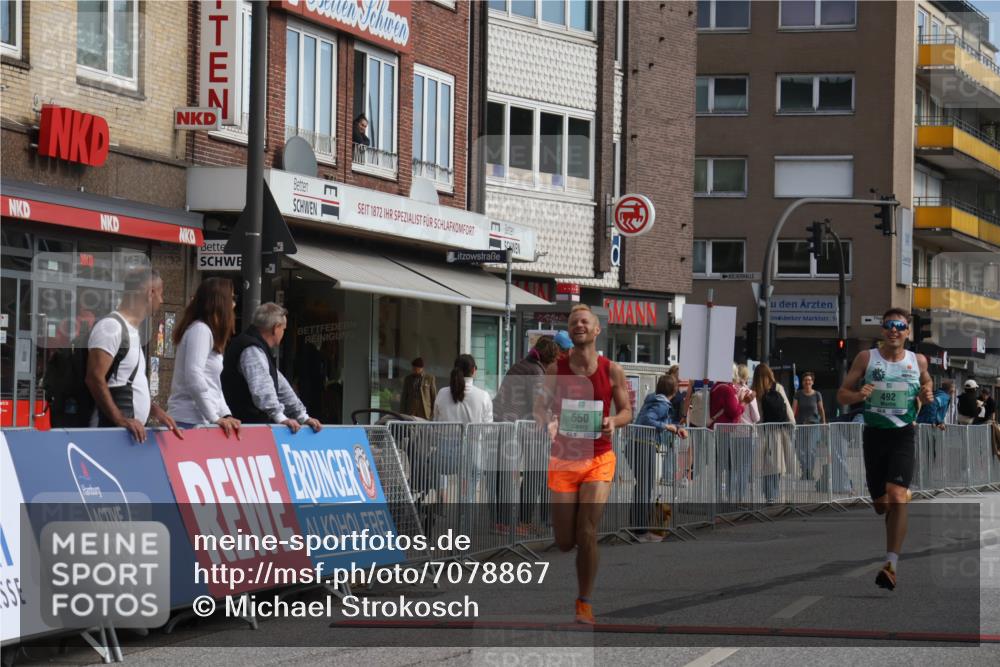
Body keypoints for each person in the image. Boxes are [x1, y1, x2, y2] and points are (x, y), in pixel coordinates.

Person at [534, 303, 632, 625]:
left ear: (596, 329)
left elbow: (627, 411)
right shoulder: (555, 370)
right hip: (564, 458)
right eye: (574, 321)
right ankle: (575, 547)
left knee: (587, 530)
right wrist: (547, 421)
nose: (578, 325)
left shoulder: (611, 370)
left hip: (598, 458)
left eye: (584, 321)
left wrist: (613, 422)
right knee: (565, 541)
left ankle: (584, 602)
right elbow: (539, 407)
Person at [837, 308, 933, 591]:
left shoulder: (918, 361)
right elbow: (843, 393)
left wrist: (927, 392)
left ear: (907, 332)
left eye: (900, 326)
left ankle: (891, 564)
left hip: (903, 434)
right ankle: (897, 496)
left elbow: (927, 384)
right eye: (890, 325)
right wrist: (858, 395)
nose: (894, 330)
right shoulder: (867, 358)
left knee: (896, 496)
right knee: (882, 505)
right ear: (882, 330)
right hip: (875, 435)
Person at [85, 268, 182, 443]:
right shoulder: (111, 328)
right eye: (160, 294)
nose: (162, 300)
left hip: (126, 434)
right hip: (112, 435)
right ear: (150, 293)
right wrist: (120, 419)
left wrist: (154, 410)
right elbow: (94, 378)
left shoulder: (131, 331)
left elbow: (122, 379)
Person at [493, 337, 561, 535]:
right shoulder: (536, 372)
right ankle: (522, 522)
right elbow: (538, 405)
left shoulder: (521, 365)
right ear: (550, 358)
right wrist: (552, 422)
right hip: (517, 426)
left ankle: (502, 522)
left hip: (502, 422)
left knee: (503, 474)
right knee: (535, 472)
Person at [221, 302, 322, 433]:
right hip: (244, 428)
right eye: (283, 329)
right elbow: (262, 388)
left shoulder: (258, 348)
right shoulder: (252, 349)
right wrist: (279, 417)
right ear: (276, 328)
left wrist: (302, 416)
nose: (283, 333)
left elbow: (281, 386)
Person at [167, 278, 241, 438]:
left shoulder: (206, 332)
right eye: (232, 298)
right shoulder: (200, 330)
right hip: (190, 420)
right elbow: (194, 375)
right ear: (220, 302)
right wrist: (214, 416)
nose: (234, 304)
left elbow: (213, 383)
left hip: (202, 420)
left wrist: (225, 414)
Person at [631, 374, 688, 541]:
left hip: (640, 443)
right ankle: (640, 530)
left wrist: (676, 428)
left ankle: (637, 527)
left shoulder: (654, 400)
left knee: (642, 487)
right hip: (644, 444)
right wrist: (668, 427)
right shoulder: (661, 404)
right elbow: (649, 420)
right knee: (645, 488)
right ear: (673, 390)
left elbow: (661, 420)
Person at [752, 363, 794, 503]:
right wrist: (792, 424)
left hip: (764, 431)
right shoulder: (778, 387)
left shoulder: (756, 390)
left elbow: (759, 414)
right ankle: (773, 495)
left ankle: (769, 495)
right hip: (779, 431)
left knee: (767, 466)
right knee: (777, 465)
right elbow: (787, 408)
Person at [433, 354, 493, 424]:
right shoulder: (484, 396)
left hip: (444, 435)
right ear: (473, 370)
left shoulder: (442, 393)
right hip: (474, 435)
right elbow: (488, 427)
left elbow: (435, 420)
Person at [793, 372, 826, 481]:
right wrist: (792, 422)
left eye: (809, 380)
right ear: (802, 382)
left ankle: (810, 472)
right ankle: (804, 470)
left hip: (813, 425)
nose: (807, 382)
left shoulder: (817, 394)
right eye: (805, 380)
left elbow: (821, 409)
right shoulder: (798, 394)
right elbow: (793, 409)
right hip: (800, 425)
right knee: (800, 450)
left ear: (812, 382)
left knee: (810, 450)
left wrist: (823, 423)